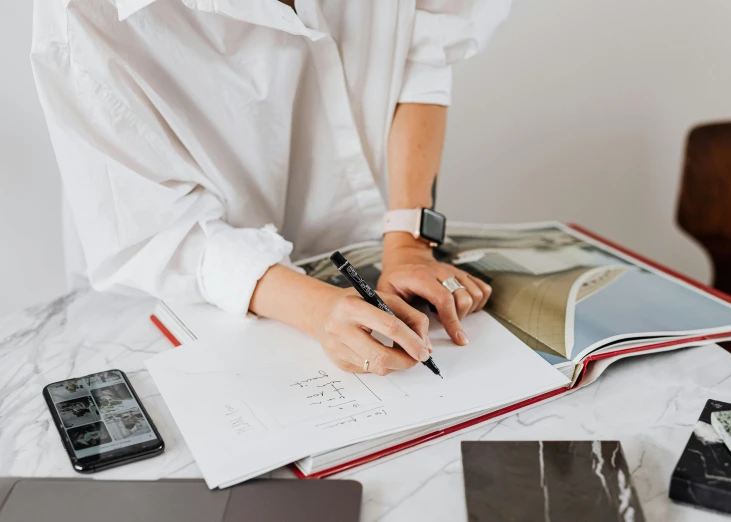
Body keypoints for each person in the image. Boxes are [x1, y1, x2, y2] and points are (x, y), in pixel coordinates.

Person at [31, 0, 510, 376]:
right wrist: (313, 308)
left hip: (343, 260)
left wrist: (408, 241)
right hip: (170, 296)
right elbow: (155, 231)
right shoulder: (82, 12)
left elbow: (422, 44)